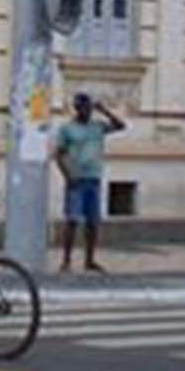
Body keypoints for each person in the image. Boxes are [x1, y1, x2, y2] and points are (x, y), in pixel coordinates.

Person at [53, 92, 126, 273]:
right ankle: (66, 260)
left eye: (89, 108)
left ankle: (90, 260)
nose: (87, 112)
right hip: (76, 180)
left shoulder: (97, 126)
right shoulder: (67, 128)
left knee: (93, 222)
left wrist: (104, 110)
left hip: (93, 178)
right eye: (83, 108)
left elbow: (121, 126)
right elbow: (59, 154)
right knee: (72, 220)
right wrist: (67, 176)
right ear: (77, 109)